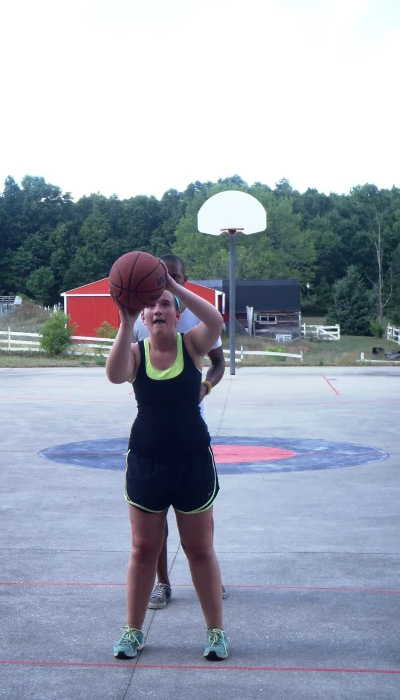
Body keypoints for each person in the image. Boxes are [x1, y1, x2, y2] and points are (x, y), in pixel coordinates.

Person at [106, 270, 229, 661]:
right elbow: (113, 375)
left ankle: (215, 633)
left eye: (165, 305)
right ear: (144, 317)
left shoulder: (192, 345)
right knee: (143, 548)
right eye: (151, 306)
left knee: (198, 548)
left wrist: (174, 287)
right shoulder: (137, 353)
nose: (158, 310)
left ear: (176, 316)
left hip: (192, 463)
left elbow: (216, 322)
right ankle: (132, 631)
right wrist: (125, 322)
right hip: (146, 465)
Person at [132, 255, 226, 610]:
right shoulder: (146, 317)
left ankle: (209, 573)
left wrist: (205, 388)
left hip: (191, 423)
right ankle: (162, 582)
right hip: (156, 421)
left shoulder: (193, 316)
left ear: (183, 279)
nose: (166, 281)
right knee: (153, 517)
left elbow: (218, 363)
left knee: (200, 514)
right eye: (161, 276)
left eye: (172, 276)